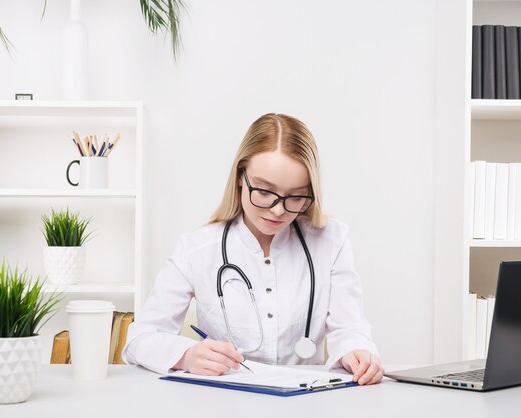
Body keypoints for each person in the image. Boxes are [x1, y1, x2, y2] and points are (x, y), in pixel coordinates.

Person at [123, 113, 383, 385]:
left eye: (295, 196)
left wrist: (357, 352)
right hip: (225, 402)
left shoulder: (332, 241)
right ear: (239, 177)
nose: (278, 209)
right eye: (264, 191)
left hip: (306, 402)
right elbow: (139, 339)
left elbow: (350, 328)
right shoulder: (195, 249)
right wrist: (186, 355)